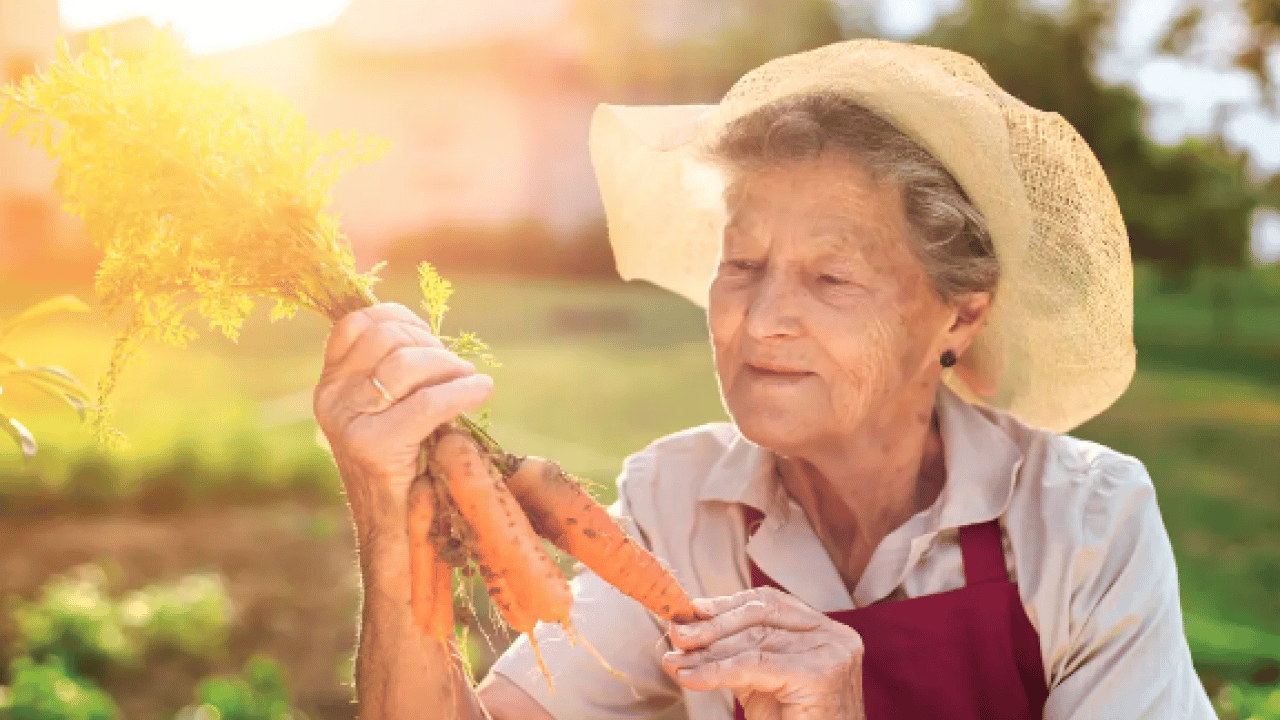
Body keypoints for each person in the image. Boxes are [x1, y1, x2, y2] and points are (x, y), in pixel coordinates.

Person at [313, 39, 1218, 719]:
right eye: (741, 264)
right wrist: (386, 508)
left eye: (831, 278)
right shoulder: (677, 505)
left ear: (961, 314)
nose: (760, 317)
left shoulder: (1084, 524)